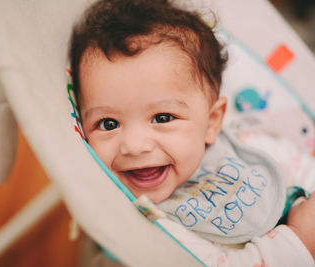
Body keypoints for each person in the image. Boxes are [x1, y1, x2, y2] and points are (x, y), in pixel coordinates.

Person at [69, 0, 315, 265]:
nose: (135, 145)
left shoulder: (248, 147)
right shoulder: (147, 225)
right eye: (108, 124)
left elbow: (305, 169)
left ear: (211, 122)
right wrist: (300, 238)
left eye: (162, 118)